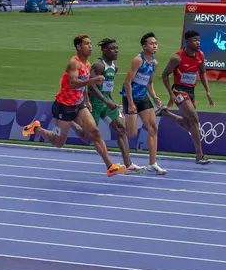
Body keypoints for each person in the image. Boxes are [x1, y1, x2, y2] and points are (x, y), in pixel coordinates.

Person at [22, 34, 126, 177]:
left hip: (79, 105)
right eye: (87, 44)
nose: (90, 47)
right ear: (78, 47)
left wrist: (87, 101)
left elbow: (82, 88)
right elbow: (73, 83)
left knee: (94, 132)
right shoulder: (74, 63)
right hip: (64, 107)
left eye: (90, 44)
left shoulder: (88, 64)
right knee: (58, 142)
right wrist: (93, 81)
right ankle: (37, 128)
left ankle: (110, 166)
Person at [88, 38, 146, 174]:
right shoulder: (98, 65)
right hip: (95, 103)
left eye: (117, 48)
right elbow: (91, 86)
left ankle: (128, 164)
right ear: (104, 51)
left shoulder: (114, 67)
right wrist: (105, 100)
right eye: (113, 49)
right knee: (86, 136)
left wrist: (112, 101)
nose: (116, 51)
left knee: (121, 128)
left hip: (106, 102)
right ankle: (71, 120)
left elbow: (107, 88)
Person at [160, 30, 214, 165]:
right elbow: (165, 75)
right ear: (187, 42)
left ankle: (165, 113)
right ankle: (199, 155)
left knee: (188, 123)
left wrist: (208, 91)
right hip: (179, 90)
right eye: (195, 40)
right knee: (194, 118)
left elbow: (202, 73)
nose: (198, 43)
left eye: (199, 40)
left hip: (191, 91)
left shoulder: (200, 55)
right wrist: (171, 94)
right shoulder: (177, 58)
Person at [122, 32, 167, 175]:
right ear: (144, 46)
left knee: (153, 127)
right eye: (151, 43)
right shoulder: (138, 60)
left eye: (156, 43)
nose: (155, 46)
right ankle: (119, 120)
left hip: (143, 97)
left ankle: (153, 163)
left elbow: (150, 82)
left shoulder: (154, 63)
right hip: (131, 97)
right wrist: (130, 102)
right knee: (132, 132)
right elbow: (128, 82)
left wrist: (154, 96)